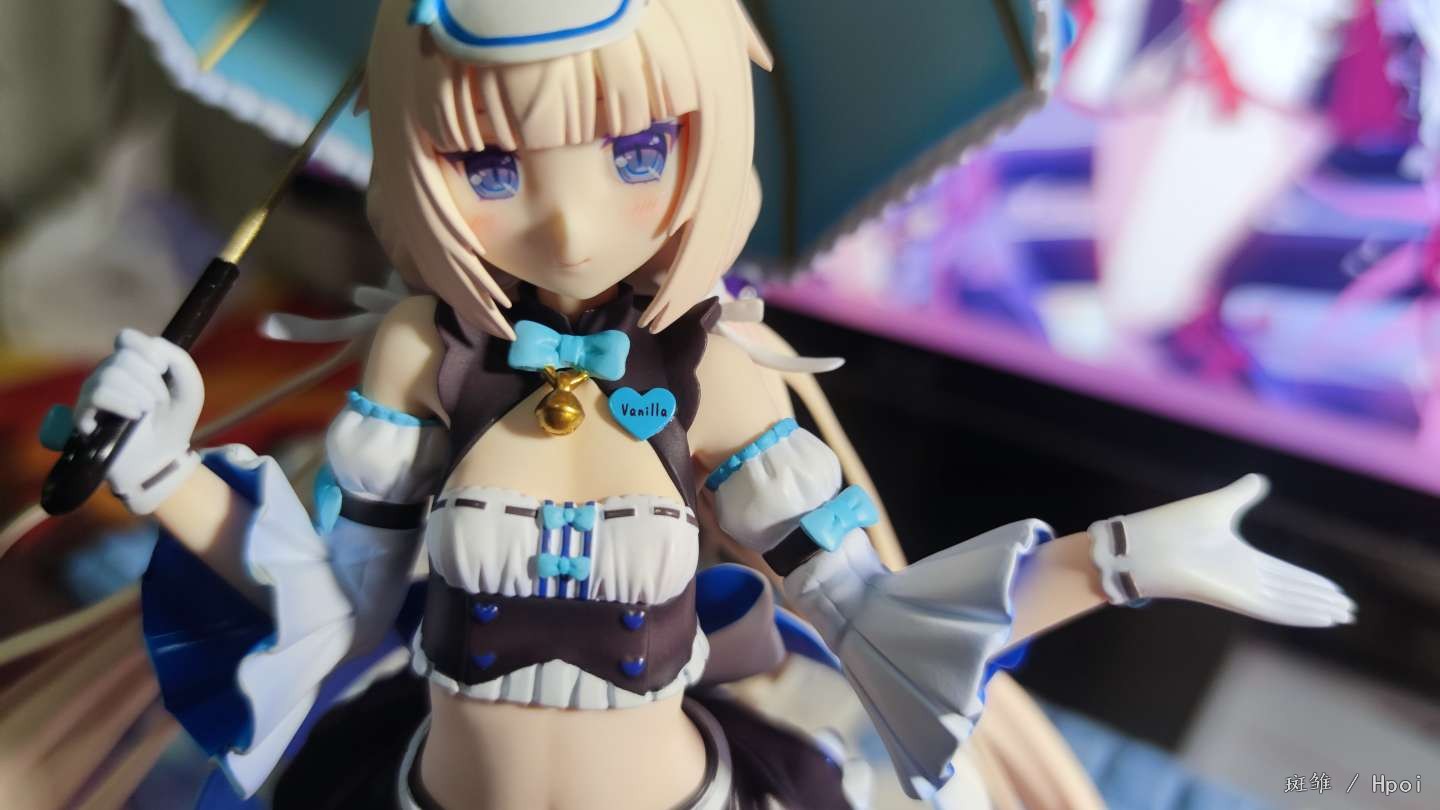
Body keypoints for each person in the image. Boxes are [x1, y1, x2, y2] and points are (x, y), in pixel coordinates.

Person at [65, 1, 1355, 806]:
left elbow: (882, 628)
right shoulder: (424, 355)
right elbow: (332, 611)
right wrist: (164, 473)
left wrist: (1121, 561)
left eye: (639, 149)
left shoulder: (716, 373)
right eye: (490, 163)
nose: (570, 222)